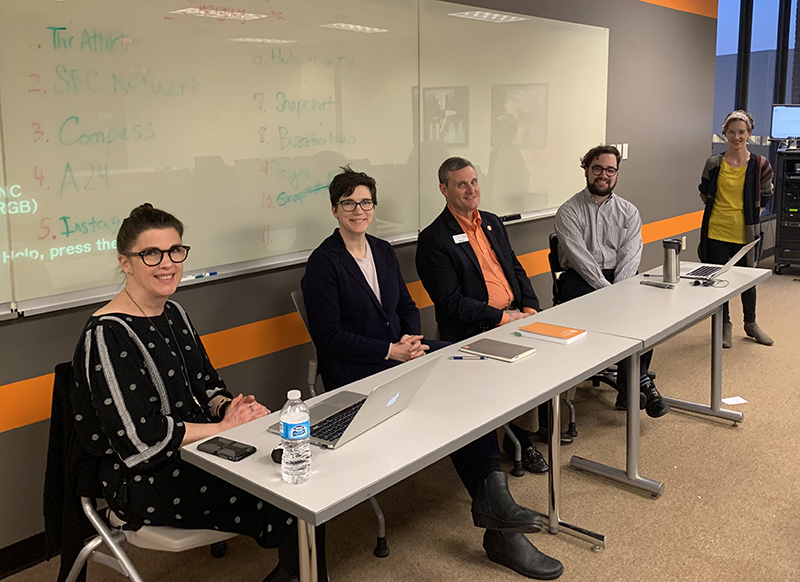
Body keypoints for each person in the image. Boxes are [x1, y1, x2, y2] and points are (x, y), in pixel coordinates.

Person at [70, 204, 323, 582]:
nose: (167, 263)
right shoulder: (107, 335)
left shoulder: (174, 313)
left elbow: (206, 386)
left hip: (200, 449)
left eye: (175, 250)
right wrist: (223, 429)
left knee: (301, 472)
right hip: (144, 476)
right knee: (286, 494)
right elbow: (141, 439)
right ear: (125, 262)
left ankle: (302, 574)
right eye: (151, 254)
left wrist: (232, 408)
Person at [416, 157, 563, 580]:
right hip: (474, 332)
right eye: (461, 185)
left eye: (475, 182)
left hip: (518, 318)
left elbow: (514, 269)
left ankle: (525, 436)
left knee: (557, 363)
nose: (471, 190)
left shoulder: (493, 222)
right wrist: (503, 319)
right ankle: (514, 453)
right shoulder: (433, 240)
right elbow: (449, 304)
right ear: (444, 190)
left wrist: (530, 306)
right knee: (487, 391)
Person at [554, 145, 669, 419]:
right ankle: (639, 384)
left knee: (646, 316)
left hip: (620, 279)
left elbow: (630, 257)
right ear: (586, 170)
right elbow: (581, 261)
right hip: (580, 280)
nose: (603, 175)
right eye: (597, 168)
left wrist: (621, 291)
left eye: (610, 170)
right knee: (615, 308)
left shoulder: (629, 212)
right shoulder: (568, 211)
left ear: (617, 174)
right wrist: (612, 294)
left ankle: (631, 388)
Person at [302, 166, 436, 390]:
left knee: (458, 361)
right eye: (348, 203)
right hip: (356, 367)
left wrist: (410, 342)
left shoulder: (383, 250)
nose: (358, 210)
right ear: (335, 209)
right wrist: (390, 351)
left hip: (400, 351)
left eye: (366, 202)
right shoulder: (323, 262)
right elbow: (330, 337)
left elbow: (406, 306)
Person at [699, 110, 774, 348]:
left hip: (745, 232)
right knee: (719, 281)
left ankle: (750, 324)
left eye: (741, 132)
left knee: (747, 280)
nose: (736, 136)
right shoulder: (714, 163)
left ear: (749, 134)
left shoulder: (761, 164)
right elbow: (704, 191)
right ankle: (724, 325)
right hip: (716, 231)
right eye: (731, 132)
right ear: (725, 134)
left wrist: (754, 215)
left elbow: (767, 193)